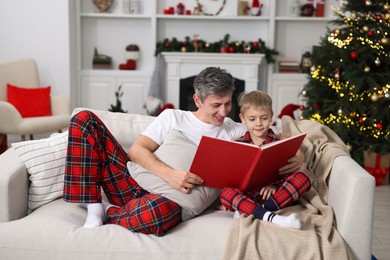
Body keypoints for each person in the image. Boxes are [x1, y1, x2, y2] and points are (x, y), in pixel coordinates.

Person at [63, 67, 303, 236]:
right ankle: (94, 207)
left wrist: (299, 155)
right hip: (131, 184)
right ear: (198, 101)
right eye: (216, 105)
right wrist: (170, 174)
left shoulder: (235, 129)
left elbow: (275, 139)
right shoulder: (173, 117)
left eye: (228, 103)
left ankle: (112, 212)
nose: (223, 112)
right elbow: (137, 151)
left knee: (155, 215)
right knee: (84, 118)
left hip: (165, 201)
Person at [219, 90, 312, 229]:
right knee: (226, 193)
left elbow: (289, 168)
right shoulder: (237, 144)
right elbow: (231, 177)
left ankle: (258, 211)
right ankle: (271, 217)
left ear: (271, 116)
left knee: (304, 178)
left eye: (264, 118)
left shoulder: (280, 141)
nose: (259, 124)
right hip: (247, 196)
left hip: (273, 196)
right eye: (252, 119)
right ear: (242, 119)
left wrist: (273, 186)